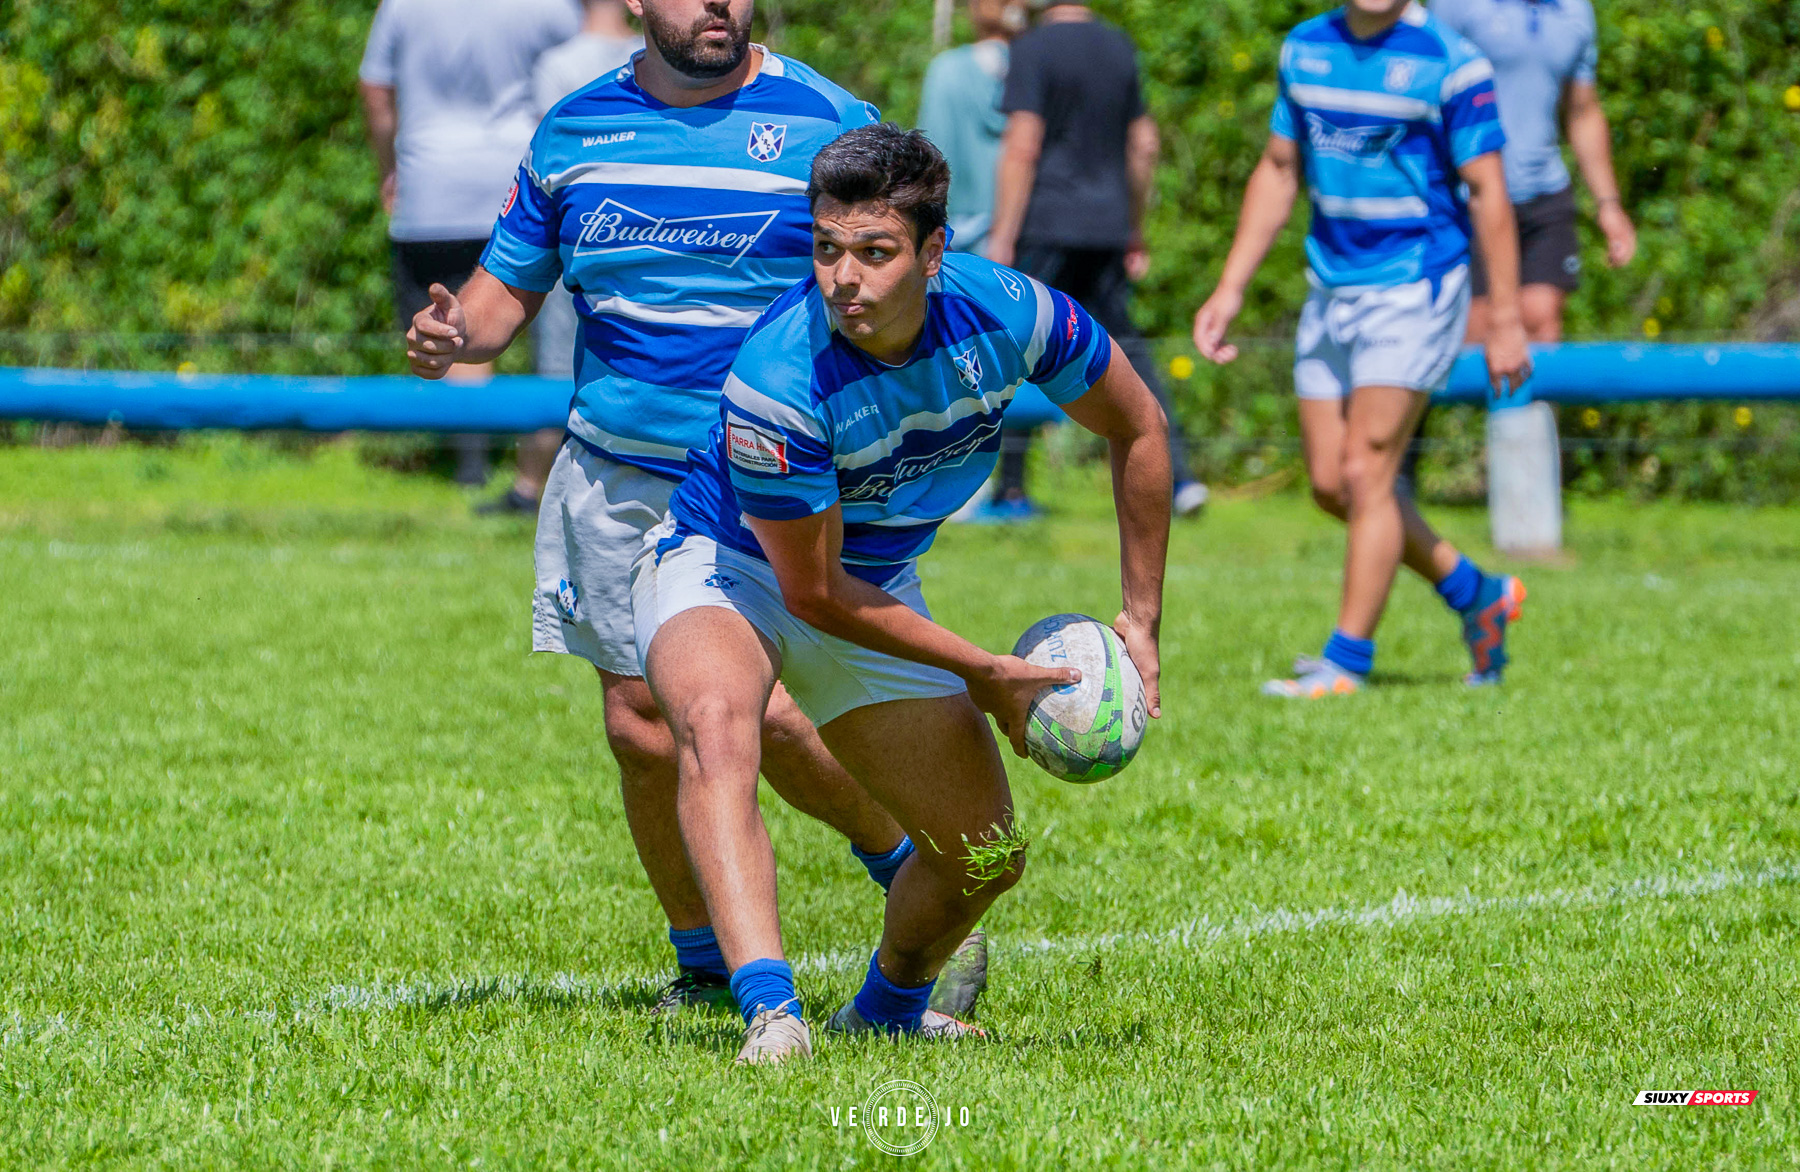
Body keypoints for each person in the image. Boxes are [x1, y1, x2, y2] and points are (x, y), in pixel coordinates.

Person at [403, 0, 986, 1021]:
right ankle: (705, 963)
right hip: (617, 477)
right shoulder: (574, 130)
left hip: (774, 487)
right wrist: (458, 332)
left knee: (773, 719)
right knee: (640, 725)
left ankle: (899, 862)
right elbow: (504, 295)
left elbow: (903, 285)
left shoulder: (827, 122)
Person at [632, 124, 1170, 1063]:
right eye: (828, 249)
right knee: (719, 723)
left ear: (933, 253)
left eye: (876, 252)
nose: (845, 277)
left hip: (870, 580)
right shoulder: (778, 380)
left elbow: (1140, 427)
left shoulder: (1013, 317)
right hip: (730, 565)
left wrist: (1141, 618)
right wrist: (986, 673)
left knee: (987, 857)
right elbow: (812, 594)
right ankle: (771, 1013)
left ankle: (885, 1010)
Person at [1192, 0, 1530, 698]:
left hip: (1417, 288)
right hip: (1331, 287)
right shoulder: (1303, 48)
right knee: (1330, 484)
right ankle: (1478, 594)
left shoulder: (1453, 64)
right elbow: (1280, 170)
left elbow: (1489, 193)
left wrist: (1504, 320)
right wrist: (1231, 287)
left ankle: (1347, 662)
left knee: (1367, 471)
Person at [984, 0, 1205, 522]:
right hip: (1107, 225)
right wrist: (1135, 228)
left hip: (1046, 221)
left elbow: (1023, 145)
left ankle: (1010, 489)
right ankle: (1179, 478)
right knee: (1129, 350)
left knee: (1017, 345)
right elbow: (1144, 145)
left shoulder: (1033, 48)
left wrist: (1002, 236)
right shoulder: (1119, 46)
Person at [359, 0, 582, 487]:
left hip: (430, 183)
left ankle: (469, 467)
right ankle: (530, 469)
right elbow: (588, 61)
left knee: (447, 323)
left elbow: (375, 90)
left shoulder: (400, 6)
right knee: (537, 334)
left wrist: (387, 170)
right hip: (517, 184)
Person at [483, 0, 647, 516]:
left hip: (582, 233)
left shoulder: (559, 63)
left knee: (555, 364)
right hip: (649, 235)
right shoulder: (656, 56)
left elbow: (549, 158)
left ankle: (530, 484)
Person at [1432, 0, 1635, 342]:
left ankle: (1537, 399)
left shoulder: (1575, 10)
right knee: (1480, 328)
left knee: (1542, 317)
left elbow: (1582, 111)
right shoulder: (1455, 5)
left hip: (1544, 191)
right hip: (1471, 195)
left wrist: (1609, 205)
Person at [916, 0, 1024, 256]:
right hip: (1027, 233)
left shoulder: (947, 70)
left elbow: (932, 155)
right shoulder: (1039, 71)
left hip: (961, 238)